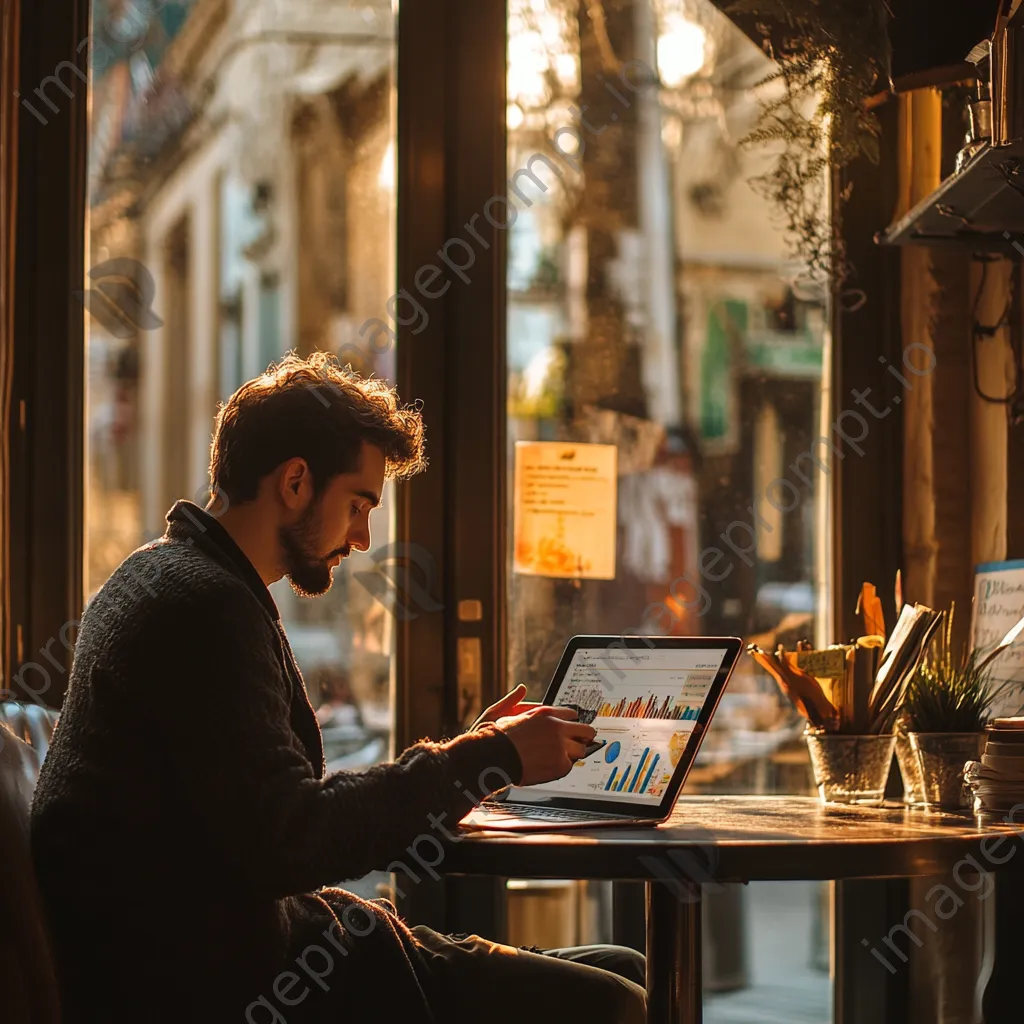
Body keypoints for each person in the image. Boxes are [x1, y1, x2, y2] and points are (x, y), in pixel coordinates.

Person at [31, 353, 647, 1024]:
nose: (363, 536)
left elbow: (263, 812)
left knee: (631, 970)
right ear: (295, 481)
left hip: (257, 953)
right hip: (245, 984)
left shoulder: (158, 575)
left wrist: (475, 756)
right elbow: (289, 838)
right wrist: (486, 759)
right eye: (359, 503)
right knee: (619, 1002)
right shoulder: (204, 608)